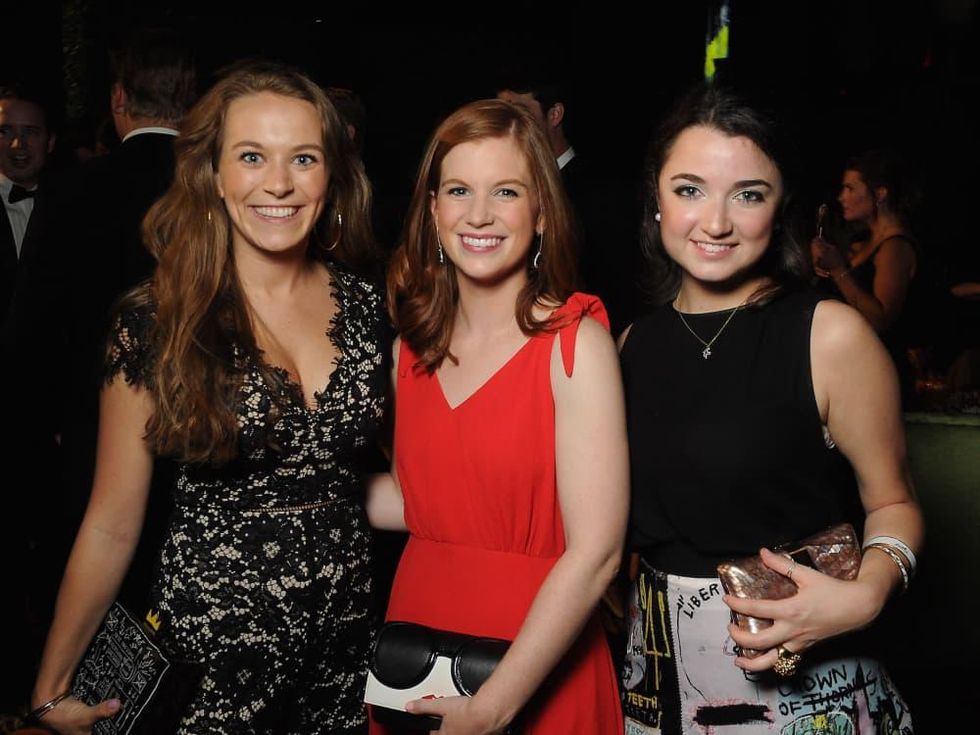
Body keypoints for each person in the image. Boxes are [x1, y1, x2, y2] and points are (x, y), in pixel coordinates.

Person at [29, 61, 387, 734]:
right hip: (210, 660)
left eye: (303, 157)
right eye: (251, 156)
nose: (278, 183)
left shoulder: (368, 306)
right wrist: (51, 686)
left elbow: (360, 485)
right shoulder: (156, 321)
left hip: (344, 656)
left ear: (332, 173)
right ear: (214, 175)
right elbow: (111, 521)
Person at [619, 86, 922, 734]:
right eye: (690, 189)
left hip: (803, 686)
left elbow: (895, 502)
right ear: (656, 198)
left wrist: (867, 596)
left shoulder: (830, 335)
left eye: (748, 195)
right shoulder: (630, 344)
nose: (716, 222)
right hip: (656, 678)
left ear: (781, 208)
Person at [367, 99, 627, 734]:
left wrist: (492, 708)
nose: (479, 214)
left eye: (505, 191)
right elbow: (417, 502)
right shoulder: (409, 351)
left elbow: (598, 553)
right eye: (459, 190)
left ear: (540, 213)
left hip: (533, 659)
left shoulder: (575, 344)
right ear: (433, 211)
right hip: (416, 647)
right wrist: (292, 471)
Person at [811, 149, 922, 399]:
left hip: (880, 376)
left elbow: (880, 320)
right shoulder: (862, 244)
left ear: (879, 194)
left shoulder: (895, 247)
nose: (841, 197)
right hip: (852, 370)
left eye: (850, 188)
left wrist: (838, 269)